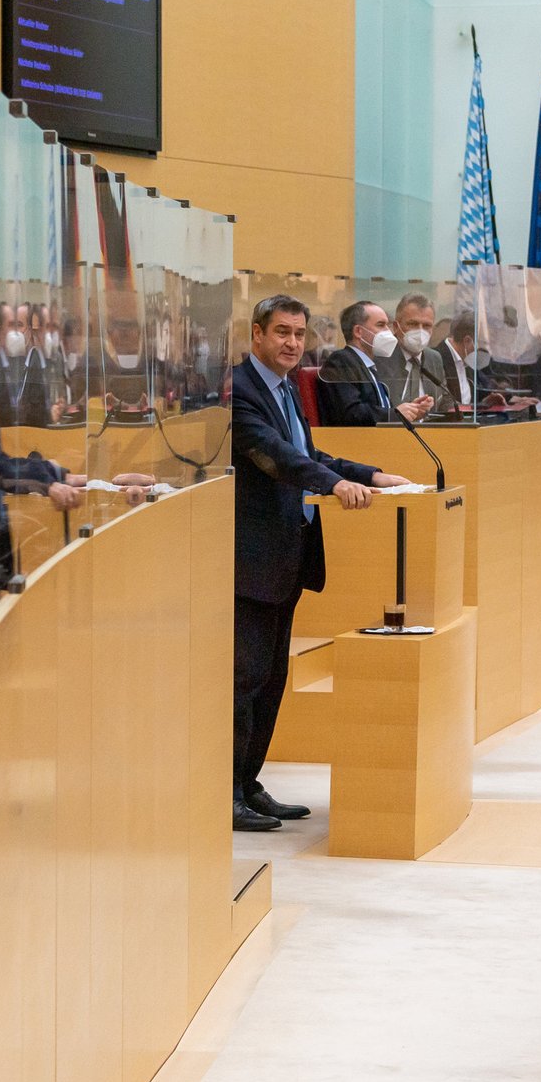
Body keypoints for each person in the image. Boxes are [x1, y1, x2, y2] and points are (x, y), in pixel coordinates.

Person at [229, 294, 412, 832]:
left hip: (288, 556)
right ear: (257, 334)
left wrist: (371, 473)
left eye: (299, 334)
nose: (291, 343)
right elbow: (274, 455)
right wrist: (333, 484)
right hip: (250, 560)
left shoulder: (285, 390)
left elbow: (310, 452)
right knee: (243, 681)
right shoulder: (238, 392)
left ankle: (248, 782)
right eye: (281, 332)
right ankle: (225, 792)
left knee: (272, 680)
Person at [317, 300, 434, 427]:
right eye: (380, 325)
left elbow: (380, 408)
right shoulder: (341, 361)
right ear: (358, 332)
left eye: (387, 325)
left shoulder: (369, 365)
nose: (388, 331)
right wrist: (394, 414)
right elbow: (350, 413)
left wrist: (412, 410)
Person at [382, 294, 460, 414]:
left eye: (426, 326)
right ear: (396, 327)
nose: (420, 331)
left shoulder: (434, 358)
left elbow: (445, 400)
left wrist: (481, 407)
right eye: (413, 324)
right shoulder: (381, 357)